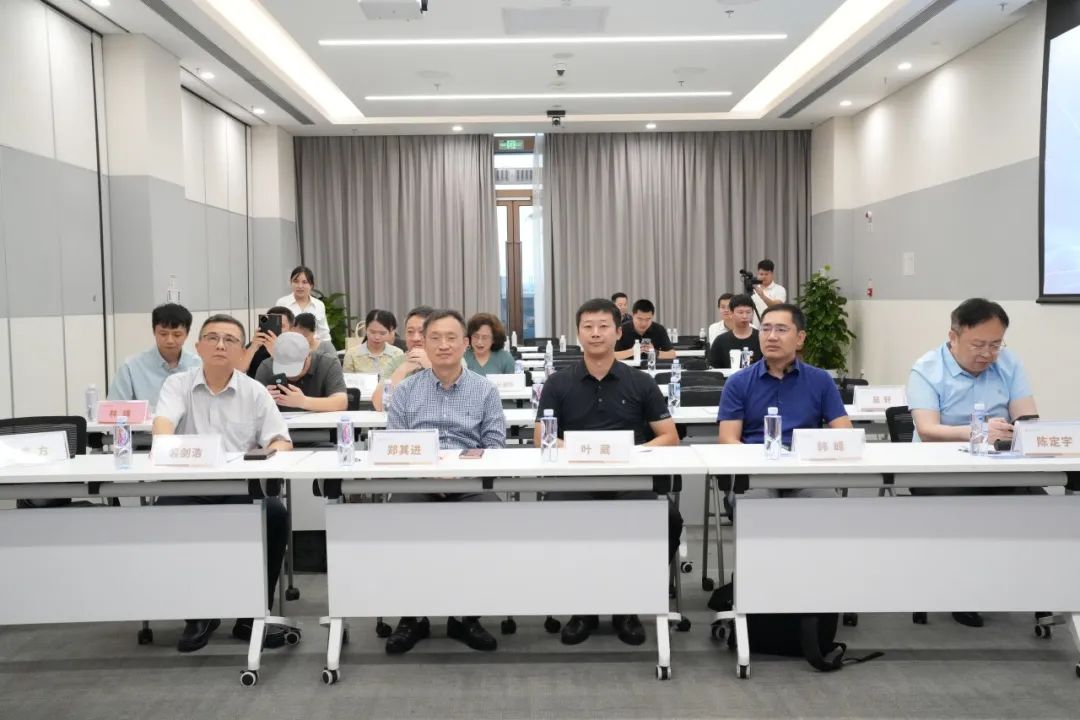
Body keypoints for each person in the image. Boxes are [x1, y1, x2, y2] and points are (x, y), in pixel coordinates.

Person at [535, 298, 683, 648]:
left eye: (604, 326)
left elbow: (669, 436)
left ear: (619, 333)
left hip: (631, 480)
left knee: (668, 520)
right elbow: (543, 437)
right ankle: (582, 608)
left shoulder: (640, 381)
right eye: (588, 326)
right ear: (578, 334)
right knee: (554, 517)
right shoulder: (558, 383)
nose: (596, 333)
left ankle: (627, 606)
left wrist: (629, 454)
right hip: (576, 482)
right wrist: (579, 452)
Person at [153, 314, 293, 653]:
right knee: (164, 514)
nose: (220, 345)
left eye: (230, 340)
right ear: (198, 346)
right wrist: (168, 445)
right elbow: (163, 427)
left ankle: (252, 615)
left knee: (275, 515)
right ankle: (198, 615)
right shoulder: (177, 385)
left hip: (240, 487)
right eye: (212, 338)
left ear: (242, 351)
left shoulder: (255, 391)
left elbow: (281, 441)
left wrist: (263, 456)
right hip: (189, 486)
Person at [907, 297, 1039, 629]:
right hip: (939, 470)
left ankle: (1039, 589)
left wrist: (1023, 430)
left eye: (996, 344)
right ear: (953, 337)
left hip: (999, 466)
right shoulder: (926, 369)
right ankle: (963, 592)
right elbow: (927, 430)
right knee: (966, 513)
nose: (988, 354)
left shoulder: (1009, 363)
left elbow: (1027, 417)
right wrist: (978, 432)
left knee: (1043, 510)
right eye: (978, 345)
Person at [382, 309, 507, 655]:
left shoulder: (485, 390)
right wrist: (426, 470)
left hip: (469, 485)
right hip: (417, 484)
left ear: (465, 344)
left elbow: (495, 446)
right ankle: (412, 616)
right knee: (394, 523)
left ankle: (467, 616)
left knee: (493, 520)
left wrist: (461, 469)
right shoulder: (406, 391)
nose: (443, 345)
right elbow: (393, 445)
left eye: (451, 338)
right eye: (435, 338)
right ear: (423, 343)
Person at [718, 303, 852, 481]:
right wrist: (761, 460)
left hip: (808, 473)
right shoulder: (738, 382)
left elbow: (845, 433)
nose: (771, 337)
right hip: (756, 475)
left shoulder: (820, 380)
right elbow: (727, 440)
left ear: (800, 338)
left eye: (781, 330)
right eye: (765, 329)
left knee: (823, 499)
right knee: (757, 498)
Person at [107, 303, 201, 408]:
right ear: (154, 332)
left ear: (187, 334)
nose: (170, 340)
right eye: (163, 334)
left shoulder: (199, 366)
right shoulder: (130, 367)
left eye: (177, 335)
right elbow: (113, 409)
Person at [254, 332, 348, 413]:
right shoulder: (267, 366)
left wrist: (303, 402)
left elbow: (341, 402)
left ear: (308, 355)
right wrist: (265, 400)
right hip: (280, 426)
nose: (289, 375)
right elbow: (253, 408)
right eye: (283, 367)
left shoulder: (328, 363)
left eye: (294, 368)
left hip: (321, 426)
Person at [372, 305, 434, 411]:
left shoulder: (451, 359)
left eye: (422, 332)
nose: (415, 338)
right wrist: (403, 369)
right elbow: (378, 404)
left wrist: (430, 366)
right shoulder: (396, 362)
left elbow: (458, 399)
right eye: (410, 332)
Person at [343, 310, 405, 381]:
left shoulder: (397, 354)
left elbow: (401, 382)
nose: (377, 337)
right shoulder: (352, 354)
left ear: (390, 332)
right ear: (366, 329)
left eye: (382, 333)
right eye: (372, 332)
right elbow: (347, 382)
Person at [276, 265, 331, 343]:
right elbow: (276, 332)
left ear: (311, 285)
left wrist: (328, 348)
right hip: (288, 347)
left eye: (304, 282)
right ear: (291, 283)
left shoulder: (319, 305)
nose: (300, 286)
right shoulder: (282, 303)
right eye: (296, 281)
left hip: (313, 347)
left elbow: (324, 334)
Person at [708, 294, 762, 369]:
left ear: (753, 313)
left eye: (748, 312)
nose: (745, 316)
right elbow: (713, 368)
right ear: (731, 313)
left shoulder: (762, 338)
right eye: (740, 312)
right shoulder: (720, 340)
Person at [239, 306, 294, 378]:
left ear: (291, 329)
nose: (276, 329)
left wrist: (275, 353)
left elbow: (291, 375)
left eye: (281, 326)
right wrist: (253, 347)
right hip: (256, 384)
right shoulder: (255, 345)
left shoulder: (294, 349)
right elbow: (239, 370)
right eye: (272, 325)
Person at [750, 259, 787, 327]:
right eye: (761, 274)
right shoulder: (753, 289)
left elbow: (777, 306)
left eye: (766, 274)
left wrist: (762, 296)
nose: (763, 277)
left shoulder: (780, 289)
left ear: (772, 274)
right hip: (756, 328)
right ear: (757, 274)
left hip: (773, 327)